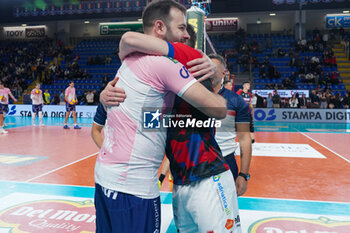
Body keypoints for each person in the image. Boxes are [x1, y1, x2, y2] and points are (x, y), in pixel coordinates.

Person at [95, 1, 226, 233]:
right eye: (182, 28)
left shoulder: (127, 61)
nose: (186, 35)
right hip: (135, 186)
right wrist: (211, 71)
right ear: (159, 27)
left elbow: (148, 121)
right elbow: (219, 109)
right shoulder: (165, 65)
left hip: (105, 178)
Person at [210, 54, 252, 232]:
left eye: (213, 68)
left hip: (225, 163)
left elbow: (244, 139)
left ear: (224, 73)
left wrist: (243, 174)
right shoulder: (189, 95)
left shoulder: (236, 101)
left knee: (226, 219)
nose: (208, 71)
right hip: (196, 163)